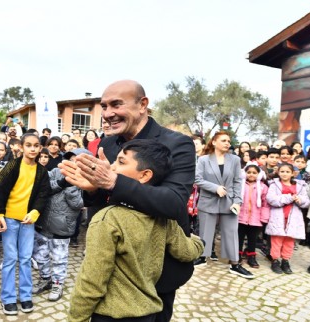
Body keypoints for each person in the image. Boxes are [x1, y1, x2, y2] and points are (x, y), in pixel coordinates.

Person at [60, 80, 196, 322]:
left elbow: (174, 202)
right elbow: (100, 196)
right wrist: (92, 189)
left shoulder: (177, 143)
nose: (108, 113)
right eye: (104, 106)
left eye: (116, 104)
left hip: (156, 272)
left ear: (142, 104)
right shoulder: (108, 143)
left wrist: (112, 182)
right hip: (112, 269)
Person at [68, 140, 204, 322]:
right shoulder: (161, 216)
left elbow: (92, 281)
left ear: (145, 175)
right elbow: (186, 250)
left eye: (121, 162)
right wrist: (199, 242)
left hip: (111, 315)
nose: (111, 167)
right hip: (147, 313)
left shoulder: (108, 219)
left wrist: (76, 318)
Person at [0, 133, 51, 316]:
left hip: (28, 221)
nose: (32, 149)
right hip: (10, 220)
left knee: (26, 259)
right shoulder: (13, 166)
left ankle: (26, 296)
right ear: (21, 146)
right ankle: (8, 298)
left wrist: (35, 212)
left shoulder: (42, 172)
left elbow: (43, 195)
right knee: (10, 259)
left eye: (36, 145)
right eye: (28, 145)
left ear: (39, 148)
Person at [195, 131, 254, 279]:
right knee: (205, 231)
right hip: (208, 200)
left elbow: (237, 181)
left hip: (229, 202)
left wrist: (237, 201)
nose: (227, 143)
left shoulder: (234, 159)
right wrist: (215, 188)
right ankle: (202, 257)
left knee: (231, 232)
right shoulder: (203, 160)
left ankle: (235, 264)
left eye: (229, 140)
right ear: (214, 142)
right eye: (223, 140)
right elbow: (197, 179)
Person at [33, 148, 89, 302]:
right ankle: (45, 278)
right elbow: (44, 187)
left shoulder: (87, 181)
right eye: (71, 159)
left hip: (62, 226)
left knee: (59, 258)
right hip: (43, 223)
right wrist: (62, 182)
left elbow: (78, 204)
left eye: (79, 161)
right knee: (40, 255)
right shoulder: (56, 171)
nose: (74, 163)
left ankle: (58, 283)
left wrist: (71, 187)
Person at [265, 163, 310, 274]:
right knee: (276, 240)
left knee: (289, 240)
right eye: (282, 171)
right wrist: (289, 198)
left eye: (287, 172)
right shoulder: (274, 185)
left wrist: (300, 200)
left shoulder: (300, 186)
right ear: (278, 172)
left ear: (292, 173)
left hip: (294, 216)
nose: (285, 174)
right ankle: (275, 260)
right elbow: (271, 199)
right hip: (278, 216)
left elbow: (307, 201)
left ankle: (286, 260)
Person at [237, 164, 269, 268]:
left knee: (252, 239)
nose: (251, 175)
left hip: (255, 218)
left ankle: (251, 256)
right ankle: (237, 255)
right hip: (240, 217)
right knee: (239, 237)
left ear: (259, 175)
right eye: (249, 172)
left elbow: (265, 203)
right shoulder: (240, 185)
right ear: (244, 173)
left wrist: (264, 217)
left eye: (254, 173)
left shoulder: (263, 187)